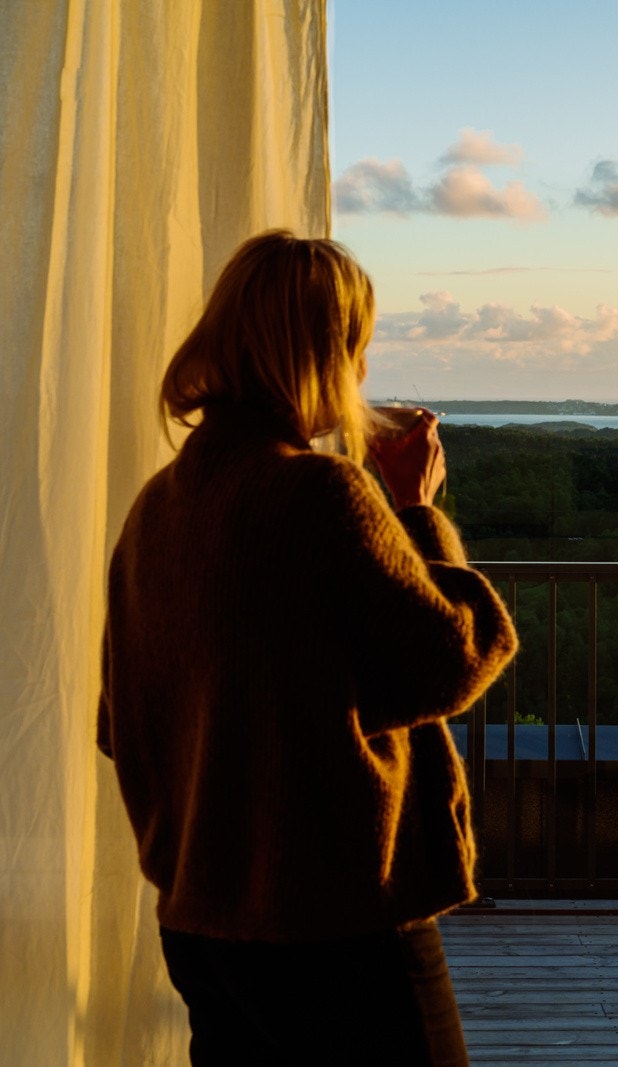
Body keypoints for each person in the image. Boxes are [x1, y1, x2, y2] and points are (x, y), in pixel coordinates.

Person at [96, 230, 517, 1065]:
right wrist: (417, 508)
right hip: (341, 927)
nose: (362, 372)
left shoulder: (157, 509)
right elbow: (454, 656)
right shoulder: (325, 495)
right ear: (324, 354)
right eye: (356, 346)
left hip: (202, 925)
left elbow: (122, 723)